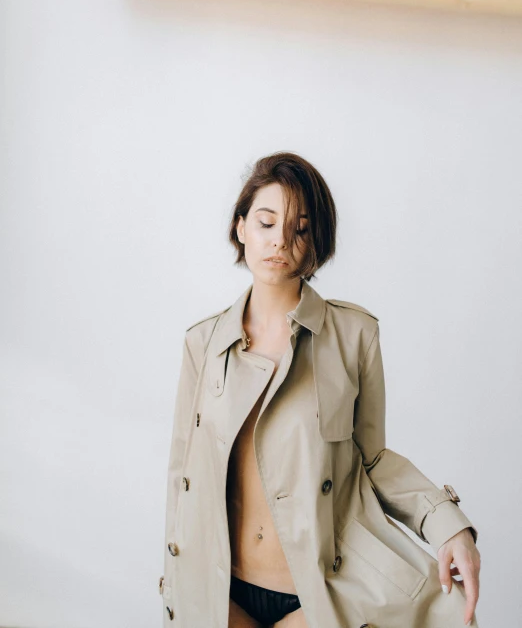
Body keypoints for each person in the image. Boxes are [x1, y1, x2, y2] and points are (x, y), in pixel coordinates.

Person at [161, 151, 481, 628]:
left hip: (320, 594)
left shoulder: (353, 337)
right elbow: (182, 475)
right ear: (241, 227)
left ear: (317, 242)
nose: (280, 242)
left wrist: (448, 525)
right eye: (267, 223)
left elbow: (373, 459)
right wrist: (175, 583)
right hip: (219, 591)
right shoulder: (202, 343)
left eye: (300, 229)